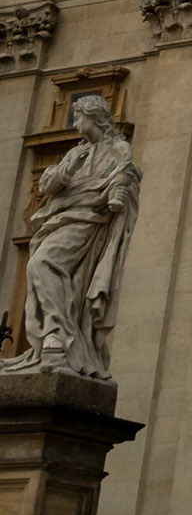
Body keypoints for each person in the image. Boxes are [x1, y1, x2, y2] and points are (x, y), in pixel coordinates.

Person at [3, 93, 139, 380]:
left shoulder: (118, 148)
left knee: (40, 263)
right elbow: (49, 183)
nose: (75, 121)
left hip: (89, 222)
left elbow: (125, 175)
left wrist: (116, 191)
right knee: (57, 278)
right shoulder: (76, 152)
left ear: (95, 117)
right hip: (63, 218)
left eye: (79, 116)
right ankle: (60, 340)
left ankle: (55, 333)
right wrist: (68, 168)